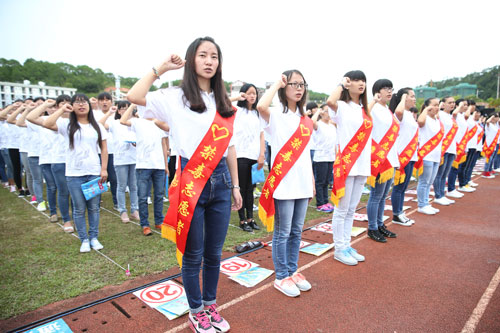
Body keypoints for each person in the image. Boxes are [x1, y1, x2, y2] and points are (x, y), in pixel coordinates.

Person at [127, 36, 242, 333]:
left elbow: (229, 147)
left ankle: (210, 304)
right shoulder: (173, 96)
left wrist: (236, 186)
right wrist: (160, 68)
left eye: (214, 56)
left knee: (215, 253)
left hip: (221, 179)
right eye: (202, 55)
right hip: (192, 181)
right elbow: (134, 96)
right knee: (193, 255)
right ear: (192, 60)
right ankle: (195, 311)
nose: (209, 61)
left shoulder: (223, 101)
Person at [257, 69, 314, 297]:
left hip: (301, 182)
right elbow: (261, 106)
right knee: (283, 232)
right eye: (293, 84)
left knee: (297, 231)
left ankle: (292, 270)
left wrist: (310, 180)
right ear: (284, 87)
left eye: (302, 84)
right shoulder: (276, 115)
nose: (299, 88)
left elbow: (305, 154)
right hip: (284, 182)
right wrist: (276, 84)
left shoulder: (306, 120)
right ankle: (281, 276)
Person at [43, 94, 108, 253]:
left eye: (84, 102)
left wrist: (104, 168)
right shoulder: (66, 124)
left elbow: (104, 148)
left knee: (93, 208)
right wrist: (62, 110)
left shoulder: (97, 126)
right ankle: (84, 239)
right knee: (79, 208)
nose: (81, 105)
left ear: (89, 105)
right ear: (72, 106)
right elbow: (47, 123)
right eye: (77, 103)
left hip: (93, 172)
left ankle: (93, 237)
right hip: (74, 173)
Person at [327, 70, 372, 265]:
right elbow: (330, 101)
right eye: (355, 80)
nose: (360, 83)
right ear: (348, 83)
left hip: (362, 163)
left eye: (362, 80)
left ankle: (346, 244)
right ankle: (339, 248)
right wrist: (341, 83)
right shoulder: (342, 106)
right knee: (342, 209)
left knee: (352, 209)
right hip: (347, 163)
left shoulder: (364, 109)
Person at [119, 103, 169, 235]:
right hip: (143, 165)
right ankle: (145, 224)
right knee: (142, 197)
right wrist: (131, 105)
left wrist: (166, 165)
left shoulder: (159, 123)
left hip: (158, 165)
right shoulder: (137, 122)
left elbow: (164, 145)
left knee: (158, 195)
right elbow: (123, 121)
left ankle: (159, 221)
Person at [27, 95, 74, 232]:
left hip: (72, 161)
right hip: (55, 160)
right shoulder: (50, 120)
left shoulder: (75, 120)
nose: (65, 105)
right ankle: (59, 215)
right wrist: (46, 104)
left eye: (68, 103)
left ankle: (74, 217)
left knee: (73, 191)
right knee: (57, 189)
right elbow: (31, 117)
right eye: (62, 103)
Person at [366, 79, 400, 243]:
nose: (389, 91)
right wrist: (373, 100)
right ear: (377, 91)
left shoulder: (387, 109)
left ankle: (380, 224)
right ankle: (372, 227)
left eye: (390, 88)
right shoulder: (373, 108)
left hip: (391, 158)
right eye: (385, 88)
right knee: (376, 195)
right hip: (380, 158)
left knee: (383, 196)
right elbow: (363, 116)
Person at [99, 101, 140, 223]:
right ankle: (122, 210)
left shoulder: (135, 122)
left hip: (134, 157)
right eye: (122, 109)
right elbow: (100, 125)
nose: (124, 111)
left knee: (133, 186)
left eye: (127, 108)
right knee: (121, 186)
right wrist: (109, 113)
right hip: (121, 159)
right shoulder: (114, 123)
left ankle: (134, 209)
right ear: (119, 110)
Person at [231, 83, 265, 232]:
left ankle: (251, 218)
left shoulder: (257, 113)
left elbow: (261, 134)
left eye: (254, 93)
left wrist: (262, 154)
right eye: (249, 93)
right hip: (240, 155)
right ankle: (242, 219)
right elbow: (222, 104)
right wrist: (238, 97)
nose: (252, 96)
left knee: (250, 189)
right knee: (241, 188)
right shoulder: (237, 110)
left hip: (254, 155)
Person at [390, 88, 418, 226]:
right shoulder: (400, 113)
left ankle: (400, 212)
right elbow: (398, 111)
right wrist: (403, 98)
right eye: (411, 96)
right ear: (404, 97)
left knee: (404, 187)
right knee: (399, 187)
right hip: (403, 155)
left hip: (411, 155)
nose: (414, 99)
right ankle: (396, 214)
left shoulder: (409, 114)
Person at [415, 98, 444, 215]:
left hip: (436, 155)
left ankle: (426, 203)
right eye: (434, 105)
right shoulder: (425, 117)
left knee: (430, 181)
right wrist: (426, 109)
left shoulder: (437, 120)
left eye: (438, 105)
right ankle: (421, 205)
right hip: (427, 155)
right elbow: (420, 122)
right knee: (424, 181)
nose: (436, 108)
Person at [432, 96, 459, 206]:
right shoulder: (441, 115)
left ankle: (442, 194)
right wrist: (439, 106)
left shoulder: (451, 117)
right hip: (443, 148)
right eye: (449, 102)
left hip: (451, 148)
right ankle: (438, 195)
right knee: (439, 174)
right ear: (443, 104)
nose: (452, 105)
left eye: (453, 103)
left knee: (445, 174)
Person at [311, 102, 336, 213]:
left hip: (330, 157)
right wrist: (317, 112)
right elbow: (311, 122)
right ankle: (320, 203)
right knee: (320, 181)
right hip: (321, 157)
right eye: (326, 111)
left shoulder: (332, 125)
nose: (329, 114)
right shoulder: (318, 124)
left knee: (327, 181)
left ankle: (326, 201)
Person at [96, 92, 119, 210]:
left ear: (111, 101)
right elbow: (98, 125)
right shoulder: (94, 114)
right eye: (102, 100)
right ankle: (96, 201)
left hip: (113, 151)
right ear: (98, 102)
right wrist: (109, 113)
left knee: (114, 178)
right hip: (98, 151)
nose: (104, 102)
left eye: (107, 100)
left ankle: (116, 201)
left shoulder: (117, 115)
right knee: (98, 178)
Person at [447, 99, 471, 199]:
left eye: (466, 105)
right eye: (463, 105)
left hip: (461, 144)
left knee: (457, 168)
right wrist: (459, 105)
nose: (465, 107)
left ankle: (453, 187)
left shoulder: (462, 116)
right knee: (453, 168)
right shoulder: (455, 115)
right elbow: (455, 113)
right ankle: (451, 189)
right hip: (456, 144)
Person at [482, 113, 500, 178]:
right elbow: (487, 121)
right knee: (489, 158)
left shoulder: (495, 125)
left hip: (494, 143)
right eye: (496, 117)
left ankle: (489, 170)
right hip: (489, 144)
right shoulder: (489, 125)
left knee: (492, 158)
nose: (497, 118)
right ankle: (486, 172)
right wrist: (492, 116)